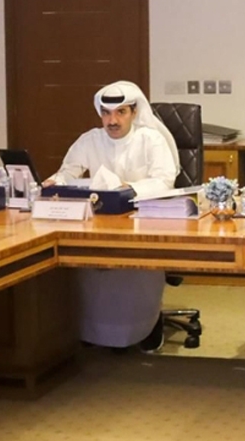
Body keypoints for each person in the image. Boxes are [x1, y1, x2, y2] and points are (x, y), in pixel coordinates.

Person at [49, 81, 179, 351]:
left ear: (134, 112)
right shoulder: (91, 140)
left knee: (136, 270)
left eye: (120, 112)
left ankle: (148, 324)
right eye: (106, 113)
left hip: (142, 219)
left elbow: (165, 180)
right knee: (91, 269)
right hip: (100, 221)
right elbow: (68, 172)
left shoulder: (150, 139)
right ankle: (95, 331)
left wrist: (127, 189)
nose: (113, 121)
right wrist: (56, 181)